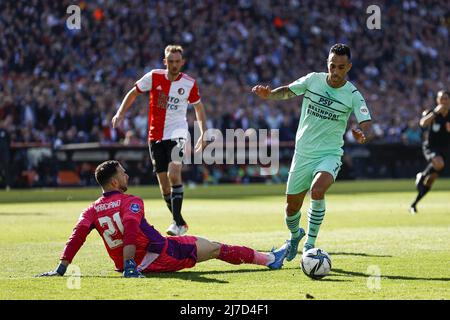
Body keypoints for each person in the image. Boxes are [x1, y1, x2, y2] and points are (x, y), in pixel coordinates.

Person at [37, 160, 289, 278]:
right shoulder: (131, 201)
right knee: (215, 248)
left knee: (210, 246)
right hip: (161, 253)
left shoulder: (91, 209)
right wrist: (130, 268)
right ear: (114, 181)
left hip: (134, 261)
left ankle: (269, 259)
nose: (127, 176)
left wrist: (61, 269)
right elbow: (133, 230)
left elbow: (76, 236)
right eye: (123, 174)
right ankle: (270, 260)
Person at [252, 44, 372, 261]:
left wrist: (360, 132)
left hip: (330, 154)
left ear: (349, 67)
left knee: (317, 191)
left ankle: (310, 245)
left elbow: (365, 121)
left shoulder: (353, 94)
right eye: (332, 66)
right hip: (303, 154)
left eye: (341, 67)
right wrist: (269, 95)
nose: (335, 72)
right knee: (291, 209)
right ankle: (296, 235)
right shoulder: (313, 79)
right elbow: (288, 90)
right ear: (327, 63)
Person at [112, 45, 208, 236]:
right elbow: (133, 93)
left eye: (177, 61)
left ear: (182, 62)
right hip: (155, 136)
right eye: (170, 61)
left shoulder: (189, 83)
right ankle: (179, 222)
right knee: (164, 185)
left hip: (178, 133)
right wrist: (120, 113)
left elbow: (199, 108)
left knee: (174, 173)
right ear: (165, 62)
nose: (174, 65)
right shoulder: (153, 77)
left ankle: (176, 222)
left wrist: (203, 133)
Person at [410, 90, 450, 214]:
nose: (444, 101)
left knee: (431, 180)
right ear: (437, 101)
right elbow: (422, 123)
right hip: (431, 147)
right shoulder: (432, 113)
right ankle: (421, 175)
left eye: (446, 99)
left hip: (446, 149)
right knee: (439, 163)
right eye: (441, 99)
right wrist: (434, 112)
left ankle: (414, 204)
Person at [0, 121, 11, 191]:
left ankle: (7, 185)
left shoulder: (5, 131)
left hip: (4, 154)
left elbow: (9, 141)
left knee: (6, 169)